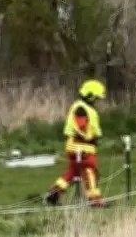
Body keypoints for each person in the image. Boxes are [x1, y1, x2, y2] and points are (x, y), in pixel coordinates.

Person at [45, 79, 107, 208]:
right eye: (96, 98)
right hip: (82, 146)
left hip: (77, 145)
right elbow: (80, 126)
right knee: (90, 171)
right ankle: (95, 200)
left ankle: (54, 193)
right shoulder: (81, 109)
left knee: (73, 172)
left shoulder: (82, 107)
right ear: (90, 96)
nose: (97, 101)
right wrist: (89, 137)